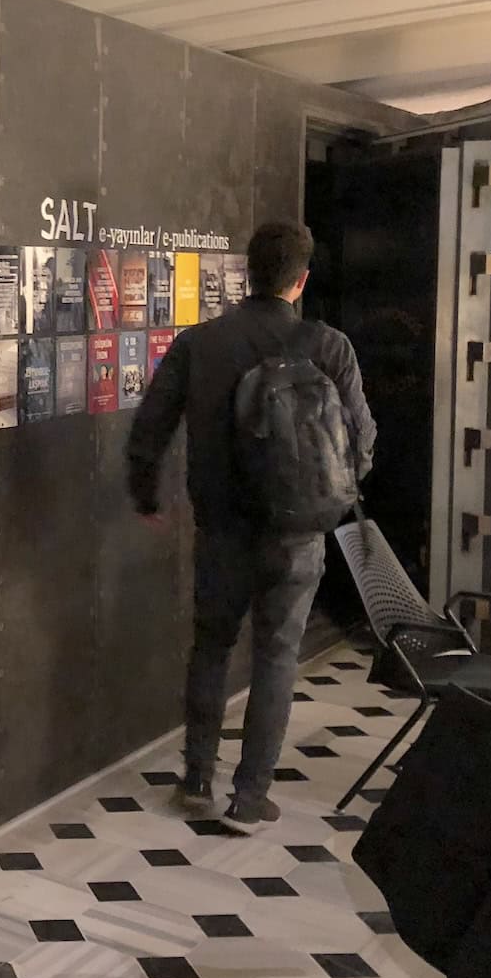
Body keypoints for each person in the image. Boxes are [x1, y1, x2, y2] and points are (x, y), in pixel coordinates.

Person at [126, 221, 376, 835]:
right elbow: (363, 442)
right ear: (302, 279)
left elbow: (150, 430)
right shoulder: (330, 347)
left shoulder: (202, 344)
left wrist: (147, 496)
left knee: (210, 648)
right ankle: (249, 796)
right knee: (277, 657)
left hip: (221, 532)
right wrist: (331, 497)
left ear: (248, 271)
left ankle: (195, 780)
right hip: (297, 538)